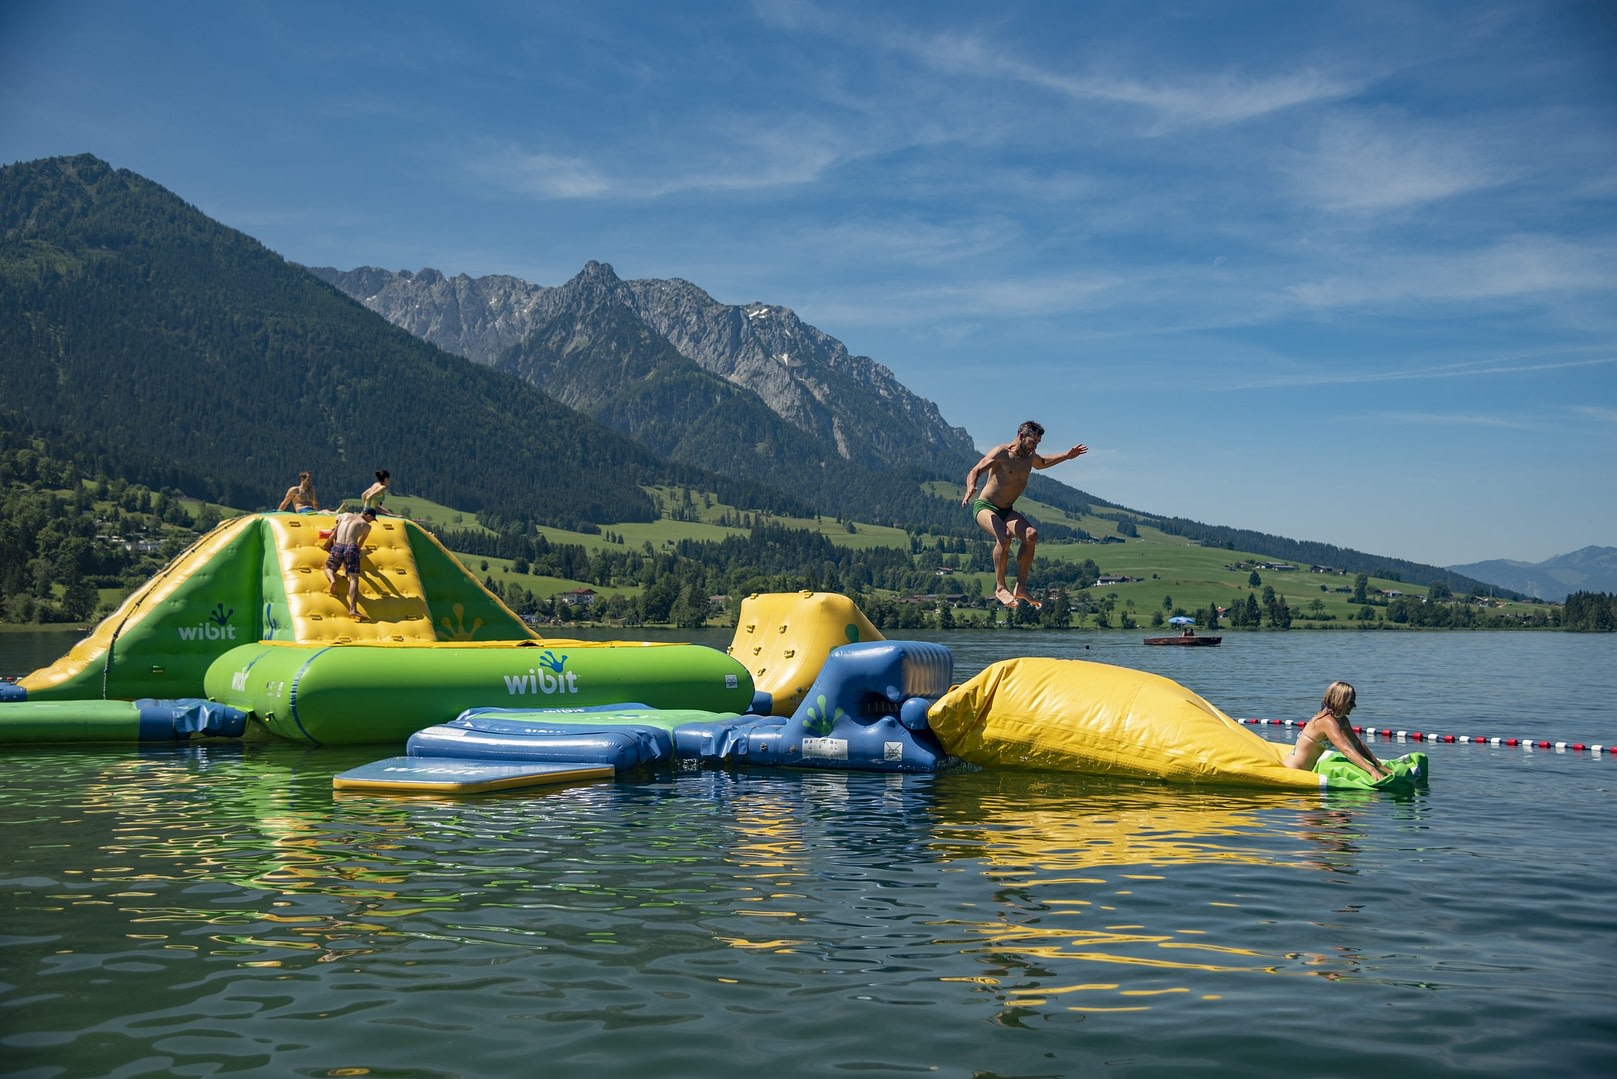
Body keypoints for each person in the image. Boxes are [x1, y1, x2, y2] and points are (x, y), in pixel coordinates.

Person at [961, 420, 1087, 608]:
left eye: (1037, 443)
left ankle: (1020, 587)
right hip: (985, 507)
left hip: (1006, 511)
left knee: (1031, 535)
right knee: (1004, 537)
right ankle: (1000, 588)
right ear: (1021, 436)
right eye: (1032, 442)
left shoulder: (1030, 456)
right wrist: (971, 487)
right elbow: (976, 470)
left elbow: (1042, 463)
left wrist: (1066, 456)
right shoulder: (1002, 453)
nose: (1034, 447)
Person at [1282, 681, 1390, 781]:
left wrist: (1378, 765)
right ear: (1340, 701)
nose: (1354, 705)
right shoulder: (1327, 721)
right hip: (1292, 771)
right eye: (1351, 702)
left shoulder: (1342, 720)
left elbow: (1357, 744)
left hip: (1304, 772)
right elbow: (1345, 749)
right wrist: (1371, 770)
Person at [324, 508, 376, 619]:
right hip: (351, 547)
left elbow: (335, 532)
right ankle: (353, 609)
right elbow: (361, 542)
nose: (371, 521)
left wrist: (327, 544)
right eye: (372, 519)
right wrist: (357, 551)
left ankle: (332, 580)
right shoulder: (366, 526)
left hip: (338, 545)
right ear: (369, 516)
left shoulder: (344, 515)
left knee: (328, 568)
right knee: (354, 579)